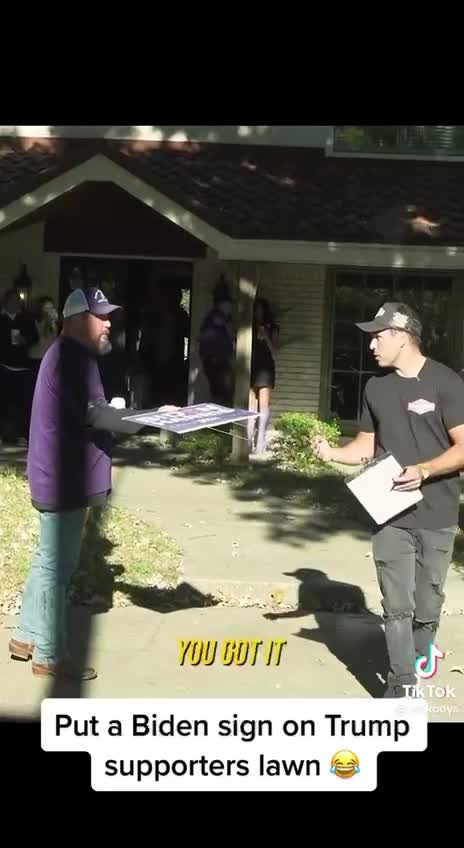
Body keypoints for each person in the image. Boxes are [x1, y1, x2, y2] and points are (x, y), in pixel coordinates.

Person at [8, 286, 177, 681]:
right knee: (57, 566)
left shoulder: (69, 356)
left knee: (46, 559)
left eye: (108, 315)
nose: (108, 323)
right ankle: (49, 655)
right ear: (76, 320)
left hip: (57, 476)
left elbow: (91, 414)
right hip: (63, 480)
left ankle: (26, 636)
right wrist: (154, 417)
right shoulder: (70, 358)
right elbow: (97, 416)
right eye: (101, 316)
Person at [312, 301, 464, 698]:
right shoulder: (375, 387)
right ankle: (402, 686)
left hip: (438, 512)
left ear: (401, 336)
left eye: (378, 336)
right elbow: (365, 446)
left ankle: (417, 661)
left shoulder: (447, 383)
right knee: (396, 605)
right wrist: (332, 453)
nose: (371, 345)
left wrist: (426, 470)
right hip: (390, 514)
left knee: (427, 607)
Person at [0, 289, 38, 445]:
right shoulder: (1, 319)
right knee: (3, 402)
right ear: (6, 302)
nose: (14, 303)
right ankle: (3, 434)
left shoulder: (26, 318)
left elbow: (34, 337)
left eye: (17, 301)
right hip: (4, 366)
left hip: (23, 367)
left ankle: (23, 434)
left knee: (24, 403)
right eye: (11, 301)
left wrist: (25, 340)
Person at [248, 297, 279, 455]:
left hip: (265, 367)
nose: (257, 313)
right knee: (251, 405)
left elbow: (275, 351)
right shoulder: (248, 327)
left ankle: (261, 439)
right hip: (251, 366)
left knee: (264, 405)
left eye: (260, 310)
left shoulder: (272, 327)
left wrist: (265, 335)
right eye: (255, 310)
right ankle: (247, 441)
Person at [199, 280, 235, 406]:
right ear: (222, 304)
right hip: (216, 359)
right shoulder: (216, 318)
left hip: (218, 359)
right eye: (228, 305)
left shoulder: (220, 319)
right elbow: (205, 337)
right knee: (220, 390)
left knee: (220, 390)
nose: (230, 308)